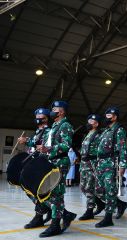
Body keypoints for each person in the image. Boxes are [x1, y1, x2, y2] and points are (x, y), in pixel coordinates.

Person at [36, 100, 77, 237]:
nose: (52, 110)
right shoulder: (54, 125)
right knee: (49, 192)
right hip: (51, 161)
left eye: (55, 108)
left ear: (62, 111)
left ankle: (55, 225)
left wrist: (48, 148)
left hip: (60, 162)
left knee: (57, 193)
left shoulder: (65, 125)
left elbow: (66, 145)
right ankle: (64, 216)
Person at [17, 108, 52, 229]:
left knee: (38, 190)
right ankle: (45, 210)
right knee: (29, 187)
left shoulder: (49, 131)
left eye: (40, 116)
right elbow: (35, 142)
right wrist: (26, 141)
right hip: (36, 162)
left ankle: (39, 216)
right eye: (36, 115)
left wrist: (28, 141)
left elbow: (46, 145)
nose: (37, 117)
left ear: (46, 118)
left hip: (43, 163)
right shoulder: (39, 131)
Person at [94, 106, 127, 227]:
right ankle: (120, 204)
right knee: (98, 190)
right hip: (101, 163)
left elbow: (122, 148)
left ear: (115, 117)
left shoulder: (119, 130)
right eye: (106, 115)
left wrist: (122, 165)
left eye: (109, 116)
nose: (106, 117)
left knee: (110, 190)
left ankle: (108, 217)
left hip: (111, 163)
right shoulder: (105, 130)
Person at [78, 114, 102, 220]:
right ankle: (101, 204)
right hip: (84, 164)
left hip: (92, 165)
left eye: (91, 121)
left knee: (89, 188)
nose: (88, 123)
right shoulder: (87, 134)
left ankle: (89, 211)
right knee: (83, 188)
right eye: (88, 121)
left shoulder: (98, 135)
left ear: (96, 124)